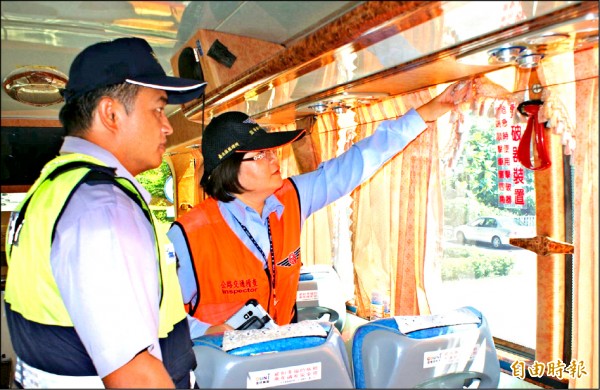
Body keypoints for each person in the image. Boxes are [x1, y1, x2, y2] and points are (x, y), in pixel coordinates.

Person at [168, 80, 472, 337]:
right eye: (261, 155)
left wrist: (426, 114)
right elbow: (161, 320)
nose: (275, 160)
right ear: (229, 169)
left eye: (273, 151)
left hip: (278, 357)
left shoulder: (293, 196)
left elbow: (357, 162)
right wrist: (208, 331)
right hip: (217, 370)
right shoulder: (188, 234)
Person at [3, 37, 207, 388]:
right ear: (110, 113)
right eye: (158, 109)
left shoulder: (54, 188)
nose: (168, 126)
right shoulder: (103, 209)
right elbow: (135, 376)